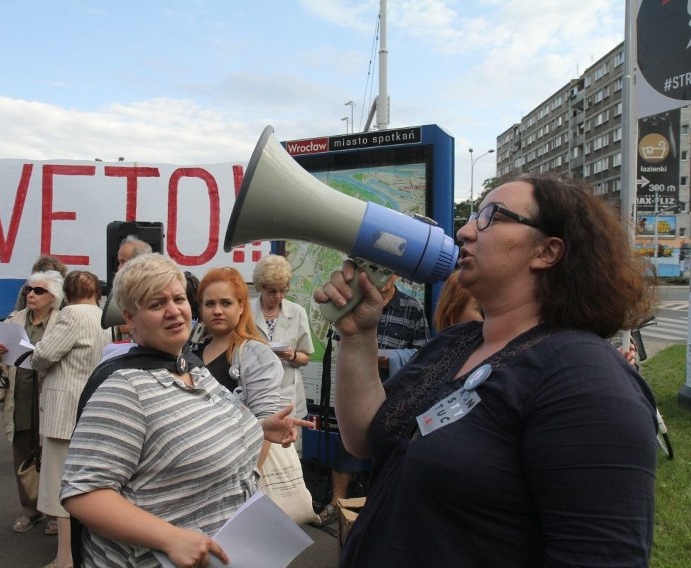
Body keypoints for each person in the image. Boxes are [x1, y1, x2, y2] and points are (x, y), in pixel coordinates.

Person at [314, 174, 658, 566]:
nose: (463, 231)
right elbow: (366, 439)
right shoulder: (456, 344)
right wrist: (358, 335)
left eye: (491, 217)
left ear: (547, 251)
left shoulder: (588, 384)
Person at [60, 254, 312, 568]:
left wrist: (258, 429)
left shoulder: (193, 369)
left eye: (179, 298)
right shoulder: (125, 389)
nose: (174, 311)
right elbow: (82, 491)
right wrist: (168, 537)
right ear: (130, 318)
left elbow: (195, 435)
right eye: (156, 304)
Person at [317, 274, 430, 527]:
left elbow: (423, 351)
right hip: (359, 380)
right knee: (346, 444)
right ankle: (336, 503)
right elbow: (339, 341)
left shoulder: (412, 306)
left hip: (397, 385)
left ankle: (383, 508)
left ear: (397, 275)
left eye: (387, 271)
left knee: (393, 445)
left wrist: (388, 358)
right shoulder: (356, 300)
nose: (381, 277)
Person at [31, 270, 111, 568]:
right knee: (85, 485)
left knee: (59, 489)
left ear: (67, 292)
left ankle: (64, 558)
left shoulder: (70, 315)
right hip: (92, 405)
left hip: (65, 411)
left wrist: (35, 351)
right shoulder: (102, 316)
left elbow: (43, 356)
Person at [0, 270, 64, 533]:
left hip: (49, 396)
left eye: (39, 291)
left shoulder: (62, 321)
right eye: (29, 290)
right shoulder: (15, 319)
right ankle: (30, 511)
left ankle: (55, 513)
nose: (31, 294)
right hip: (19, 396)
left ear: (53, 297)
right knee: (22, 454)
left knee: (52, 458)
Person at [193, 267, 283, 421]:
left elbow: (266, 424)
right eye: (209, 304)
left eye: (226, 303)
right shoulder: (190, 351)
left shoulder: (257, 356)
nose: (217, 311)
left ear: (241, 307)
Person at [250, 255, 313, 423]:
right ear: (260, 287)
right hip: (254, 390)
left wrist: (291, 355)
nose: (278, 296)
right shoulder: (245, 312)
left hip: (287, 392)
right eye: (272, 291)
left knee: (289, 445)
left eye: (283, 290)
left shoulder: (297, 312)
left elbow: (306, 357)